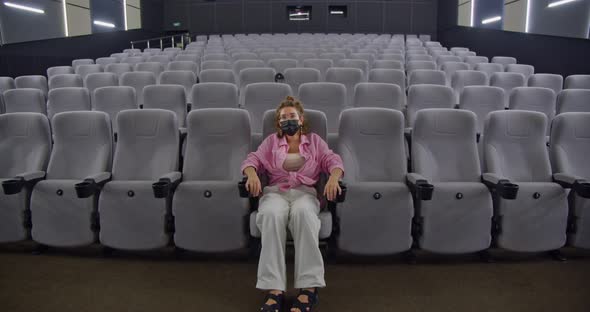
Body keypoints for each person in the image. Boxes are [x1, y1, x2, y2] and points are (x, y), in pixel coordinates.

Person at [240, 96, 344, 312]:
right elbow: (252, 160)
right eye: (283, 117)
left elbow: (333, 161)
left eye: (292, 116)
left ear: (301, 119)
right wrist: (251, 175)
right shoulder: (271, 142)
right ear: (278, 122)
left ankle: (309, 289)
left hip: (305, 193)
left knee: (304, 215)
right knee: (270, 214)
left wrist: (334, 178)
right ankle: (274, 289)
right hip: (275, 193)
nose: (288, 120)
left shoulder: (314, 141)